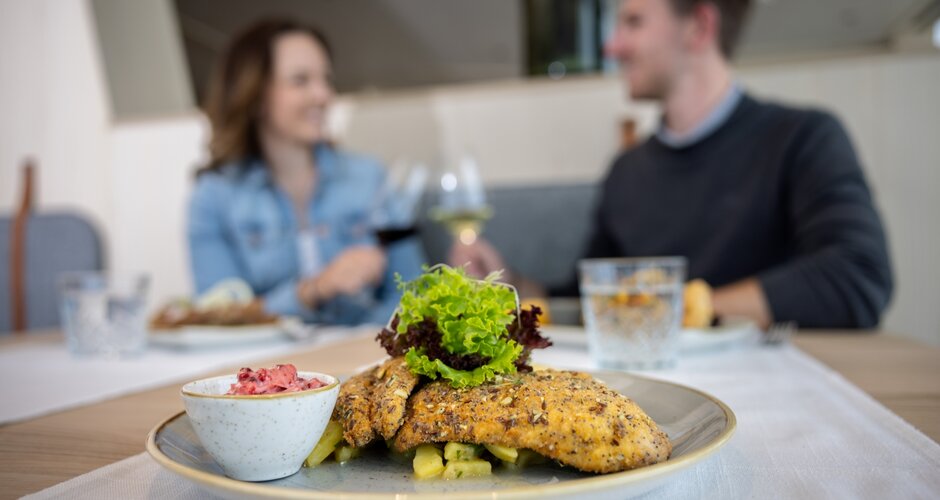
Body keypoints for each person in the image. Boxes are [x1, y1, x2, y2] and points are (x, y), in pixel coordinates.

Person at [452, 0, 893, 329]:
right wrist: (514, 284)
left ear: (698, 27)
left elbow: (859, 274)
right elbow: (592, 298)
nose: (613, 45)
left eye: (634, 22)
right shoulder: (626, 171)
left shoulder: (803, 137)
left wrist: (676, 310)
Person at [188, 19, 424, 325]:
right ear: (255, 95)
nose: (323, 95)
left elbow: (414, 294)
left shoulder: (370, 179)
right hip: (266, 369)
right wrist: (313, 290)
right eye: (301, 80)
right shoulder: (213, 195)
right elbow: (219, 316)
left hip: (362, 361)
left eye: (326, 79)